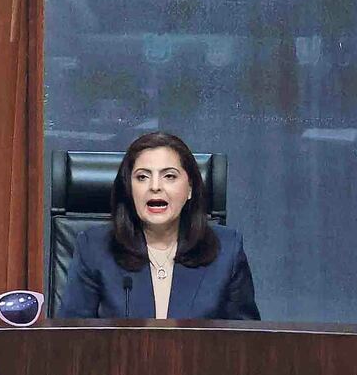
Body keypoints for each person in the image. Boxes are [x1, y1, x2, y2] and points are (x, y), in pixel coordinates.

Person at [56, 131, 259, 320]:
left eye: (169, 176)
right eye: (142, 177)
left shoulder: (227, 250)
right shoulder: (94, 249)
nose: (155, 186)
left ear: (190, 188)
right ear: (129, 189)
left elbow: (246, 340)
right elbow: (72, 338)